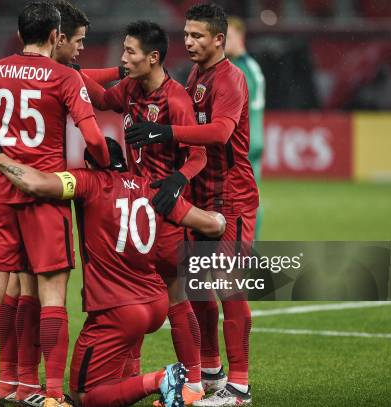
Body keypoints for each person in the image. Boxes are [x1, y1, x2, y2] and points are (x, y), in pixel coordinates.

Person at [0, 134, 227, 407]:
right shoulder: (152, 188)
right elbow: (214, 225)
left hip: (118, 310)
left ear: (90, 164)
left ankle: (160, 379)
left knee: (84, 396)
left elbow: (36, 183)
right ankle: (154, 378)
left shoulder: (89, 182)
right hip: (156, 302)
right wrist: (215, 225)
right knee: (110, 376)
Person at [0, 2, 110, 407]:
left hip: (1, 193)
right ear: (55, 36)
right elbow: (95, 138)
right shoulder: (64, 77)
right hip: (45, 197)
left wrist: (1, 150)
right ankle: (52, 395)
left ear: (20, 35)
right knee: (53, 299)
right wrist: (105, 166)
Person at [124, 3, 259, 406]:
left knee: (230, 289)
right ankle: (213, 369)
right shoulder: (198, 74)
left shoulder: (231, 79)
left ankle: (239, 387)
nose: (189, 42)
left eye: (198, 36)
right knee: (199, 286)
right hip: (201, 194)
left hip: (231, 198)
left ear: (220, 39)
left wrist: (164, 130)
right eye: (186, 35)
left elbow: (219, 133)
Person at [81, 20, 207, 405]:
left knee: (175, 293)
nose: (123, 58)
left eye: (130, 52)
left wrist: (177, 180)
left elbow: (199, 155)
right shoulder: (131, 88)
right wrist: (65, 71)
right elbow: (98, 97)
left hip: (164, 212)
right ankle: (131, 375)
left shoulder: (177, 101)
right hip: (132, 210)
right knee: (130, 294)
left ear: (153, 58)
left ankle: (194, 382)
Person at [225, 16, 265, 241]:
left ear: (240, 38)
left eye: (227, 37)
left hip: (244, 140)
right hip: (253, 138)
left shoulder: (241, 69)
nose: (222, 44)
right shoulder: (250, 66)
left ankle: (246, 245)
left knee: (242, 200)